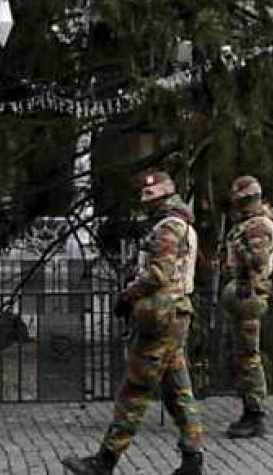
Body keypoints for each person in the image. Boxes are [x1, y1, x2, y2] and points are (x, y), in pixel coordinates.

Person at [64, 171, 204, 475]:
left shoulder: (168, 228)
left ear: (163, 200)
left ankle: (105, 461)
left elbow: (159, 274)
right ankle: (192, 460)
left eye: (151, 201)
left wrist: (128, 295)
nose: (146, 207)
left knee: (135, 389)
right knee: (178, 390)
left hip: (162, 319)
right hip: (175, 316)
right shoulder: (181, 225)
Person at [221, 176, 273, 440]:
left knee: (249, 357)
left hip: (250, 292)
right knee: (242, 356)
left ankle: (255, 414)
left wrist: (239, 246)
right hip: (243, 292)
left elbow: (257, 260)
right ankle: (249, 410)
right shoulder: (247, 225)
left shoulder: (256, 226)